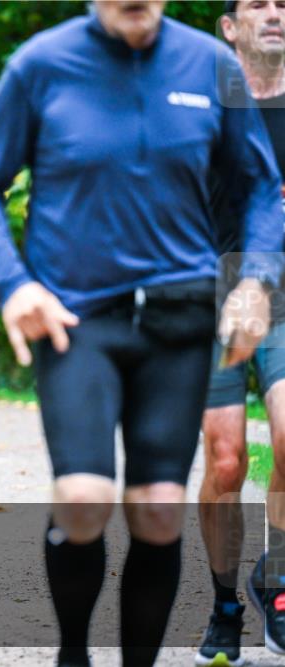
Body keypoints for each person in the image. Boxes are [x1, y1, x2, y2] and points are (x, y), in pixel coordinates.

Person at [0, 1, 282, 665]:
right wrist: (15, 285)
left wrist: (255, 281)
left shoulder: (209, 64)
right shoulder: (40, 65)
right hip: (76, 317)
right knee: (83, 500)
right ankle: (73, 653)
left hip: (180, 316)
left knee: (158, 509)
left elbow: (261, 187)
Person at [196, 2, 285, 664]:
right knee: (225, 460)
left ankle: (277, 584)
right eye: (258, 3)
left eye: (284, 4)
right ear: (229, 26)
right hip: (211, 294)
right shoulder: (200, 102)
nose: (275, 14)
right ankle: (225, 602)